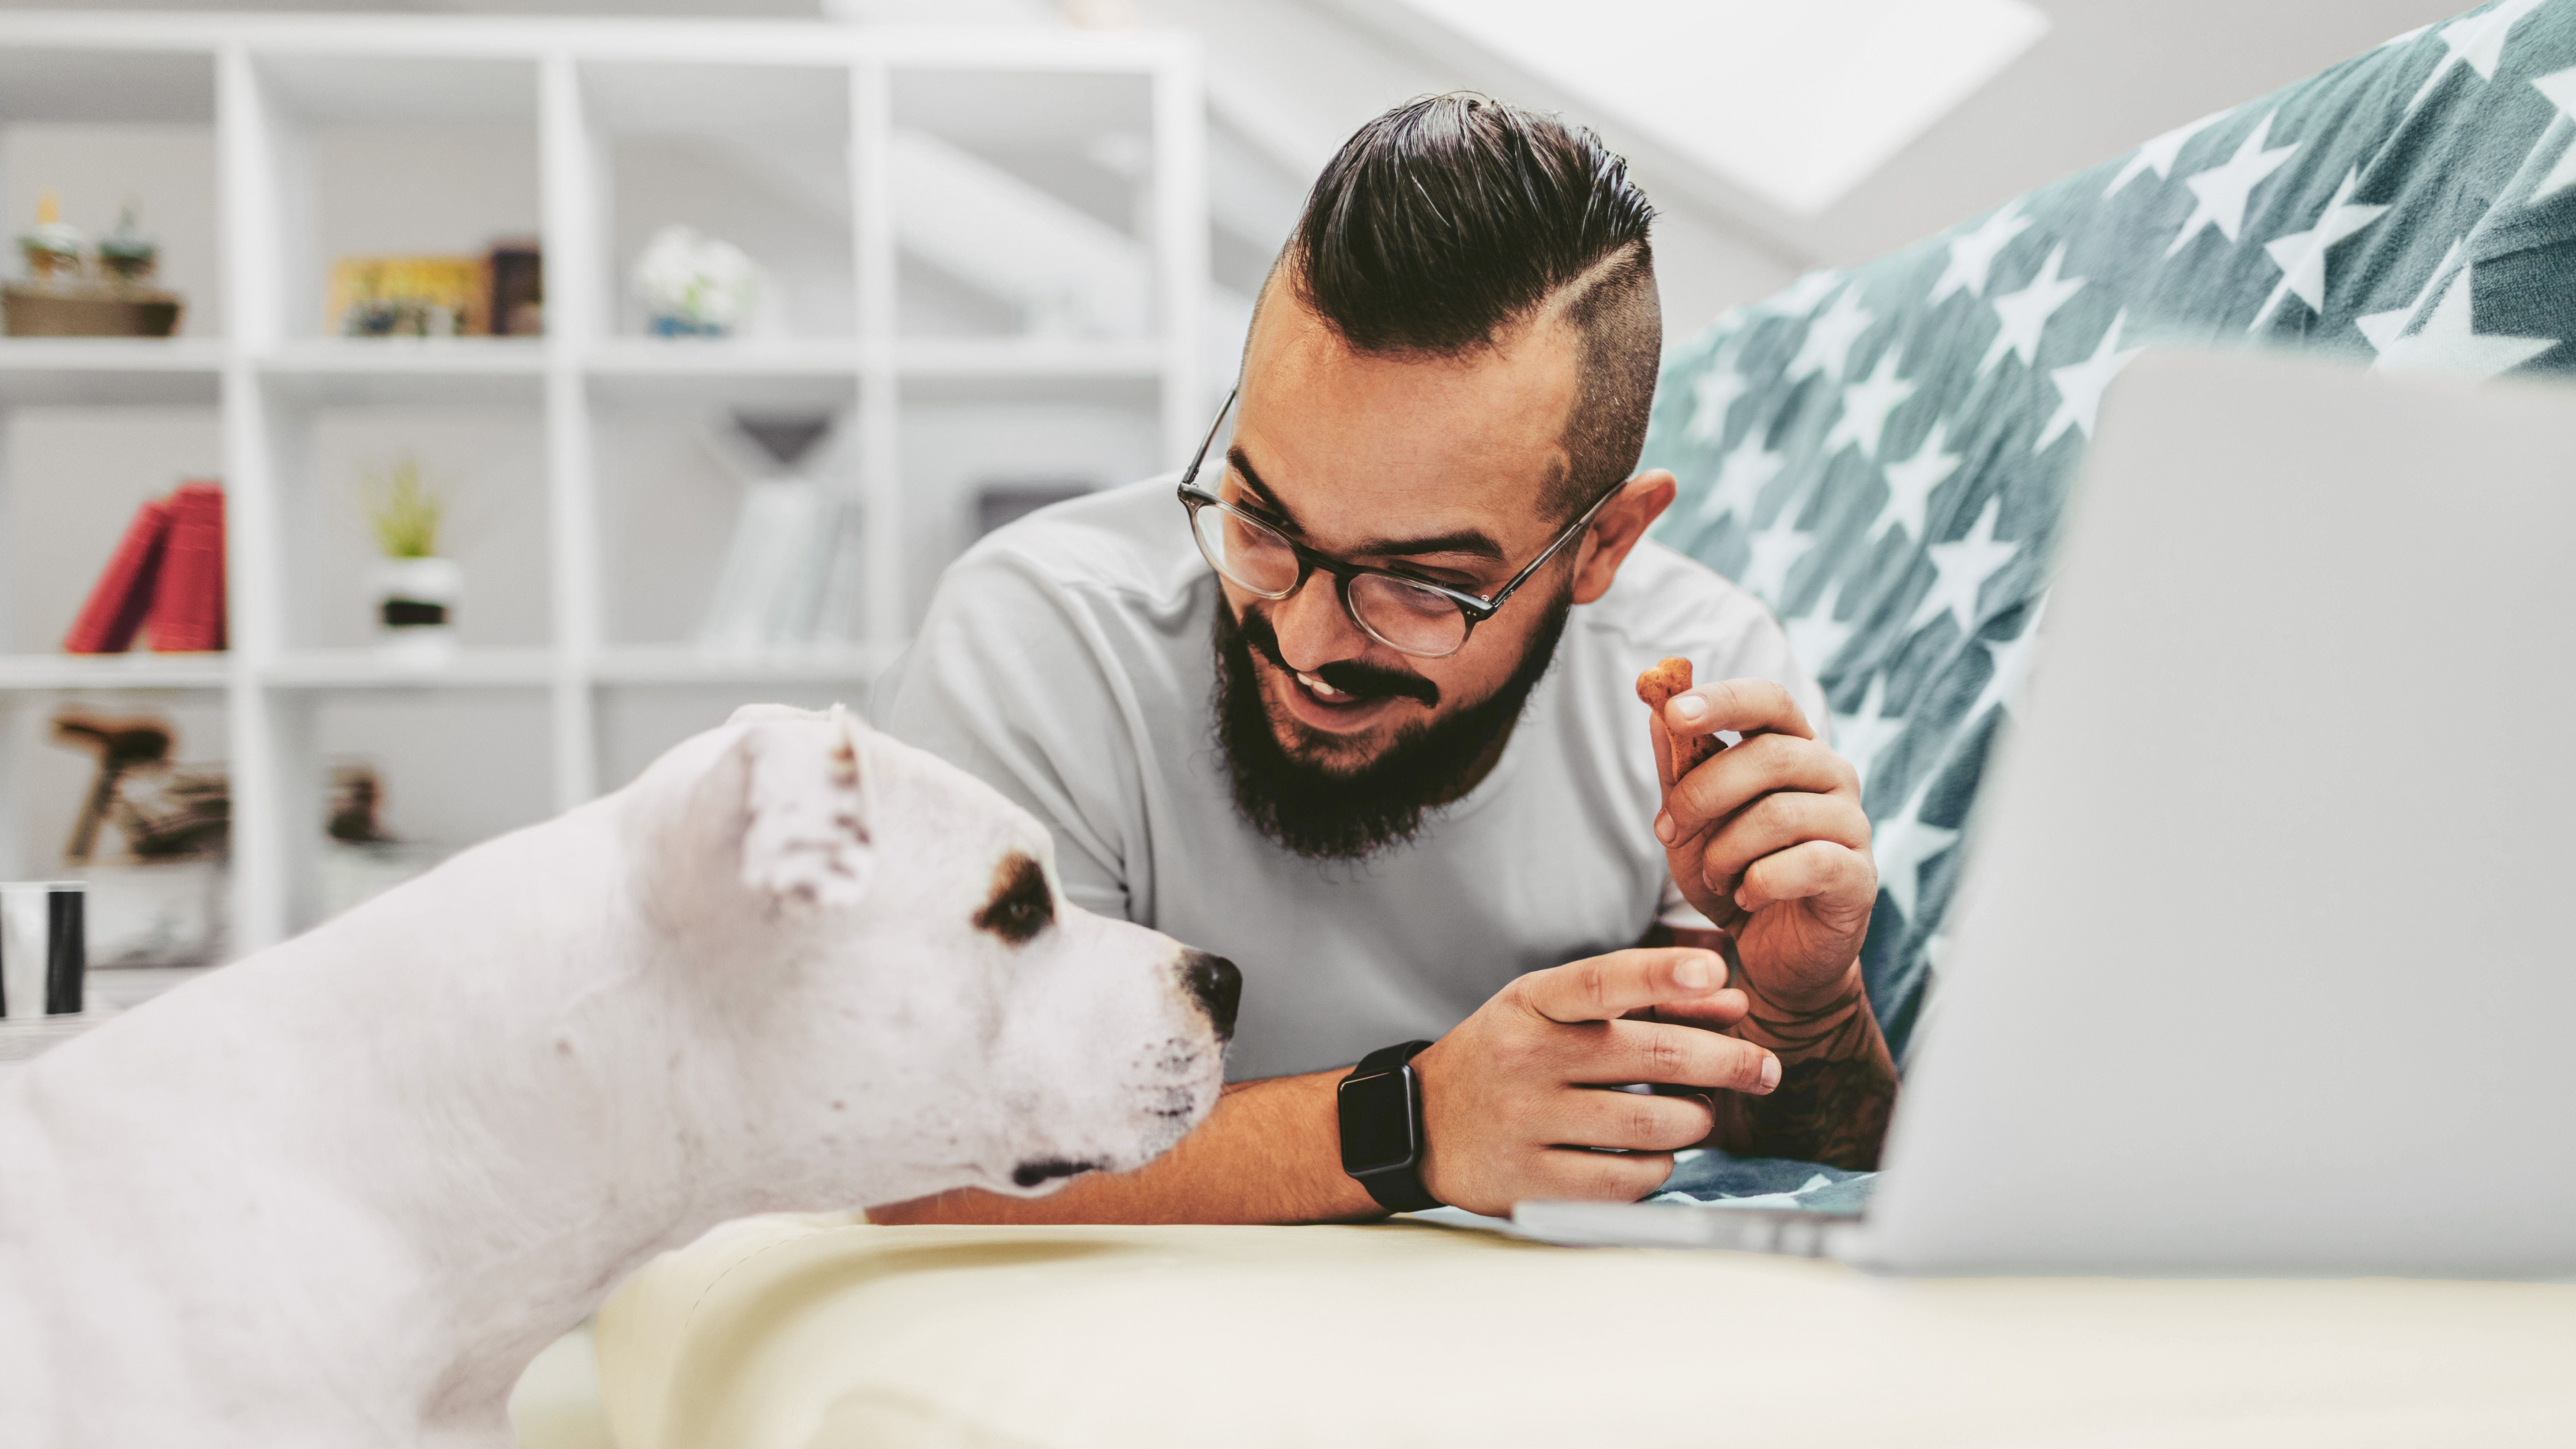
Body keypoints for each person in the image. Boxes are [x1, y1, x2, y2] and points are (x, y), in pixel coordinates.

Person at [871, 93, 1895, 1224]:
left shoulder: (1699, 681)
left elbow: (1795, 1148)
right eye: (1261, 520)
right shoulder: (1043, 639)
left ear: (1601, 544)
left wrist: (1806, 1012)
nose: (1306, 643)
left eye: (1421, 584)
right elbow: (921, 1160)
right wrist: (1411, 1123)